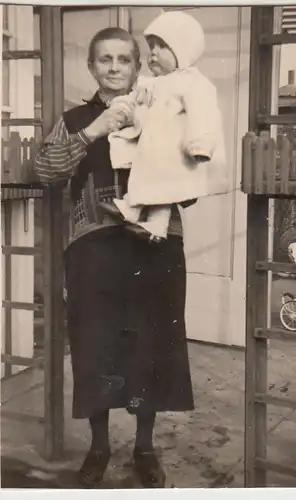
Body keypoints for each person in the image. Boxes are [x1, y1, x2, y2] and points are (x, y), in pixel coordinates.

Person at [34, 26, 194, 489]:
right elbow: (44, 171)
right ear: (91, 66)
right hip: (94, 250)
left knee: (151, 347)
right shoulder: (75, 118)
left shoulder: (164, 112)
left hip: (156, 244)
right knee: (96, 347)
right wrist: (93, 132)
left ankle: (144, 446)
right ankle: (99, 446)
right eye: (105, 59)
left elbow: (193, 183)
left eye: (125, 59)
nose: (115, 68)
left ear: (138, 67)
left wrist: (155, 201)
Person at [101, 11, 227, 242]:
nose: (154, 54)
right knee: (154, 185)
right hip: (153, 148)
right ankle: (150, 223)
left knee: (160, 186)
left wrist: (200, 144)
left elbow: (204, 114)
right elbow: (134, 101)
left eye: (163, 46)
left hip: (174, 151)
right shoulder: (152, 84)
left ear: (183, 51)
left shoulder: (193, 83)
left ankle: (139, 213)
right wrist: (121, 106)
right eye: (151, 47)